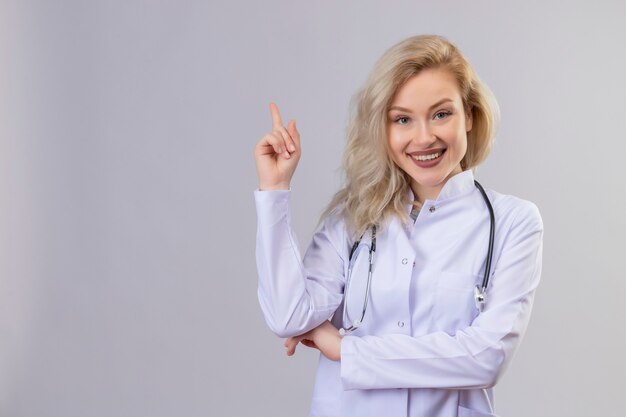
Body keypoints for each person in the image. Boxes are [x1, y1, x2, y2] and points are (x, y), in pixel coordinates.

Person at [253, 34, 543, 417]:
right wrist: (275, 189)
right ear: (383, 129)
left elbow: (485, 358)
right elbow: (288, 316)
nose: (424, 137)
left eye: (442, 113)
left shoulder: (513, 223)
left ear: (469, 116)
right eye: (402, 119)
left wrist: (344, 349)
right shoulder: (351, 219)